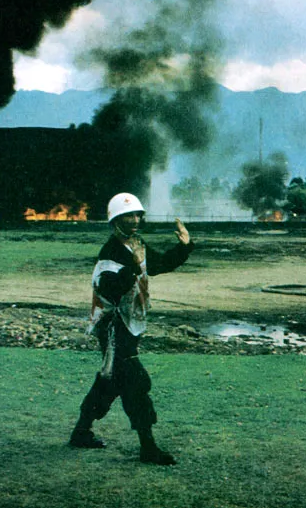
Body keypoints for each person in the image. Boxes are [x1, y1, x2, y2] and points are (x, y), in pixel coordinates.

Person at [69, 192, 193, 465]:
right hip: (114, 327)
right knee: (135, 381)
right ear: (115, 220)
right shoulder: (110, 253)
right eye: (128, 216)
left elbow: (158, 265)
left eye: (138, 215)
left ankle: (81, 431)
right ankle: (148, 448)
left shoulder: (137, 244)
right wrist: (132, 269)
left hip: (128, 324)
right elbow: (109, 290)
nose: (135, 220)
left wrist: (184, 247)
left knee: (110, 381)